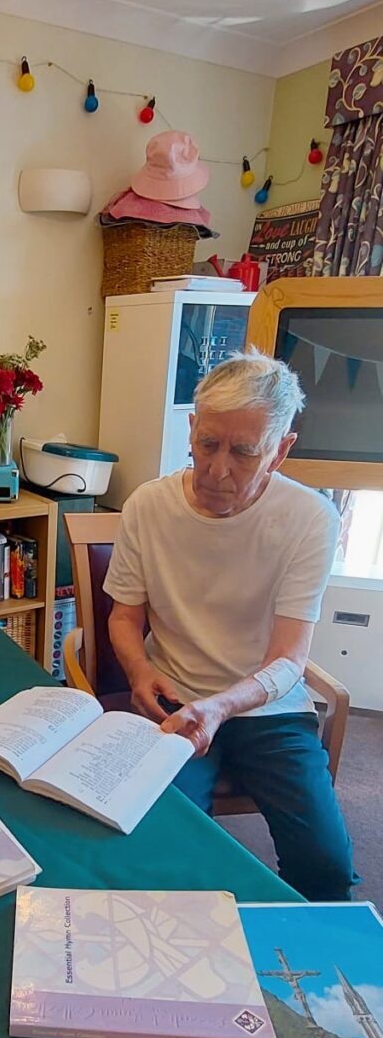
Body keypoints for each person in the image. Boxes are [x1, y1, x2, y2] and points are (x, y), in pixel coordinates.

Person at [103, 350, 357, 900]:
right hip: (174, 700)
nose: (218, 469)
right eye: (208, 444)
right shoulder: (148, 506)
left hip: (270, 707)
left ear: (280, 450)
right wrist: (140, 672)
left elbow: (289, 660)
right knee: (168, 852)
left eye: (244, 452)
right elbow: (124, 617)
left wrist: (220, 707)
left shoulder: (310, 518)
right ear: (192, 429)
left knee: (327, 869)